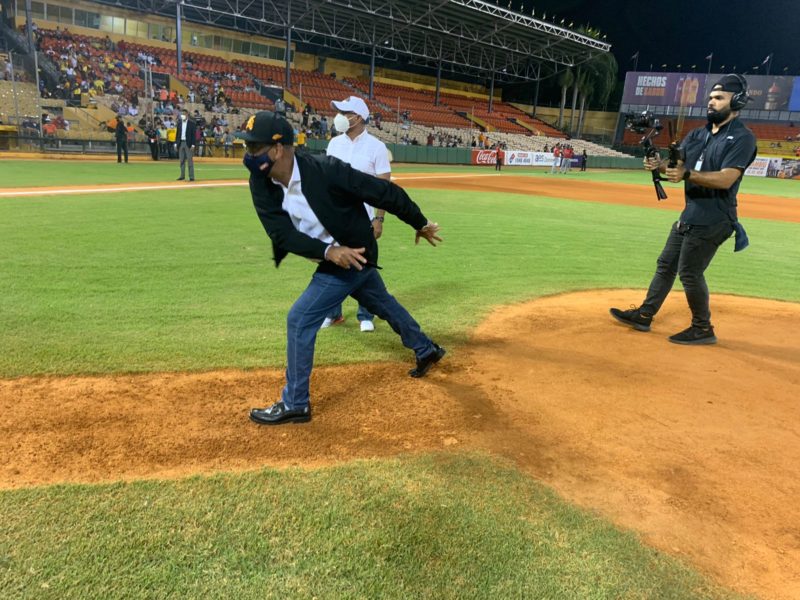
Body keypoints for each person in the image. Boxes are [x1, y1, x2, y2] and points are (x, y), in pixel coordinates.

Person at [242, 111, 445, 425]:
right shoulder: (261, 182)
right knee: (382, 302)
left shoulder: (326, 170)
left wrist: (419, 223)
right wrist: (327, 251)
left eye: (255, 149)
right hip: (336, 255)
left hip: (354, 251)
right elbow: (280, 233)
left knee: (299, 319)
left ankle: (295, 403)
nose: (249, 156)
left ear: (279, 149)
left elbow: (383, 192)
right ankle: (425, 348)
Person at [610, 74, 757, 345]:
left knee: (689, 272)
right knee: (666, 265)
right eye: (711, 98)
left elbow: (726, 178)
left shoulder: (742, 138)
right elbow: (676, 168)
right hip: (690, 215)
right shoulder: (698, 134)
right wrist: (658, 165)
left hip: (715, 218)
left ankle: (703, 328)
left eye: (719, 98)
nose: (711, 103)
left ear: (736, 102)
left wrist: (686, 174)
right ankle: (644, 315)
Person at [322, 95, 391, 333]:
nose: (339, 117)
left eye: (345, 113)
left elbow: (384, 188)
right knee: (333, 262)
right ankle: (333, 313)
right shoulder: (334, 144)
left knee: (363, 264)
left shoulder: (377, 147)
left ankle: (365, 315)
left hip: (364, 219)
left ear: (358, 117)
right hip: (336, 216)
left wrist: (379, 218)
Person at [175, 109, 196, 181]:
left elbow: (193, 135)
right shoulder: (179, 123)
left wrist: (193, 145)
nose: (182, 115)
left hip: (188, 143)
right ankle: (182, 175)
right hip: (181, 142)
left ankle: (191, 176)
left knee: (190, 160)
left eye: (184, 114)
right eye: (182, 114)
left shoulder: (192, 124)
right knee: (181, 160)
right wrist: (176, 143)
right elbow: (177, 134)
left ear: (187, 115)